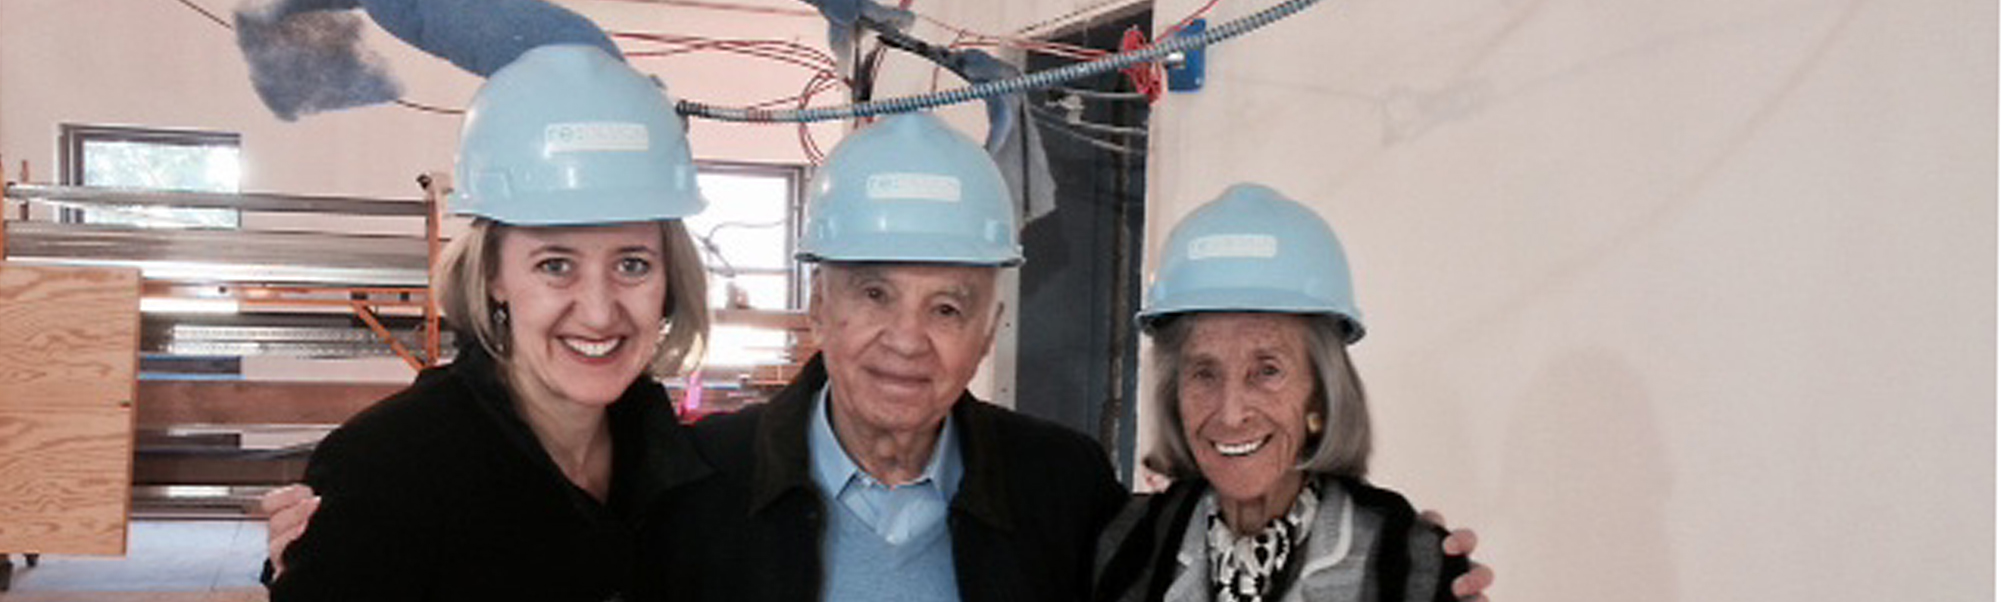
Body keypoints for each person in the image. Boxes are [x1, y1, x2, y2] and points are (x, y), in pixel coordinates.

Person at [264, 116, 1497, 601]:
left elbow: (1206, 567)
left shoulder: (1066, 491)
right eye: (872, 294)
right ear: (817, 304)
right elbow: (526, 544)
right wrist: (351, 546)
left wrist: (1384, 555)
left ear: (993, 325)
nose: (908, 338)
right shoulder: (684, 479)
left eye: (950, 304)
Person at [263, 44, 712, 601]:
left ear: (670, 278)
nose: (599, 311)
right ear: (494, 274)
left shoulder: (685, 469)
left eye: (632, 264)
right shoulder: (387, 470)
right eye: (555, 265)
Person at [1094, 183, 1472, 602]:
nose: (1232, 413)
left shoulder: (1408, 562)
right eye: (1204, 373)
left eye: (1267, 371)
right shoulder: (1125, 544)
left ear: (1321, 391)